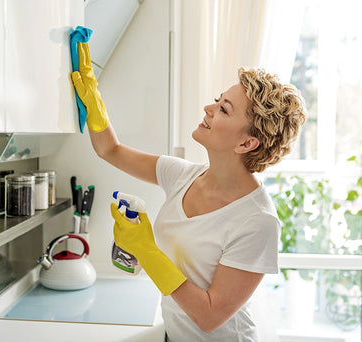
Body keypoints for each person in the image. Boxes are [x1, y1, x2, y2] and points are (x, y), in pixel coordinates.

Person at [71, 42, 306, 341]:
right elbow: (110, 149)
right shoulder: (181, 175)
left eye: (223, 109)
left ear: (246, 143)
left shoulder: (257, 221)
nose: (208, 109)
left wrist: (146, 250)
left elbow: (209, 316)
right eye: (216, 100)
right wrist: (94, 102)